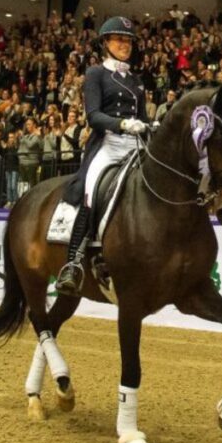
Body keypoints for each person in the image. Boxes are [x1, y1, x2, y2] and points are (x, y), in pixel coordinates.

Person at [57, 17, 149, 295]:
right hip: (107, 145)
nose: (125, 45)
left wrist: (148, 125)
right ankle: (73, 263)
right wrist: (122, 124)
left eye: (129, 40)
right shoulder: (96, 74)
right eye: (119, 40)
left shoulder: (136, 80)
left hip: (135, 145)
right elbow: (94, 116)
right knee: (92, 190)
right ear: (106, 43)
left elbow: (142, 117)